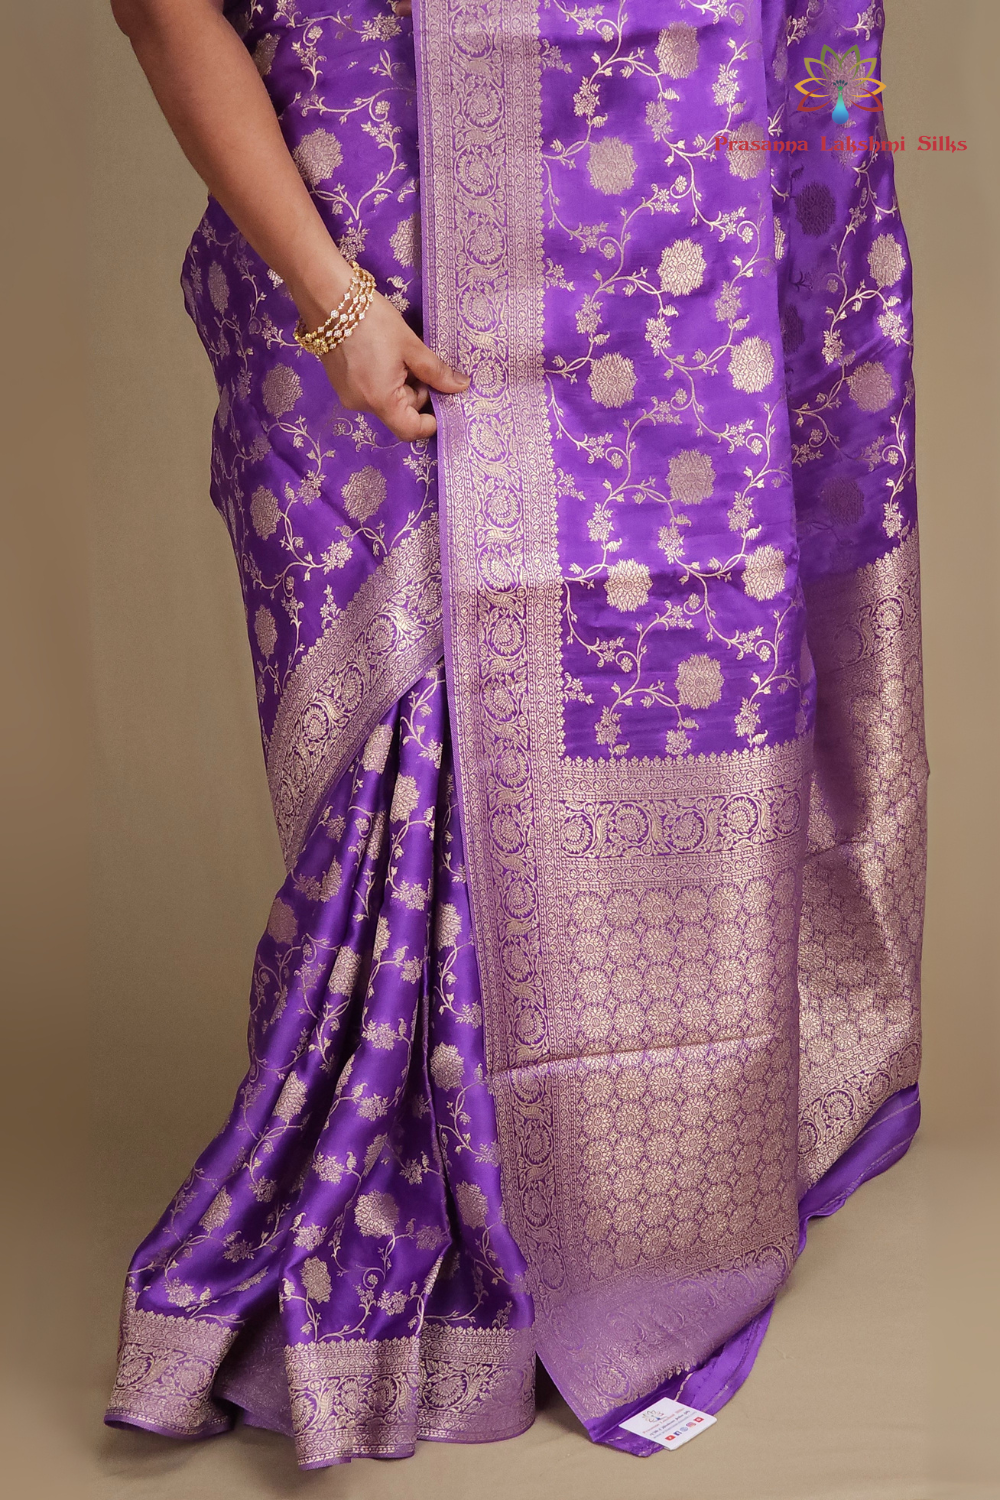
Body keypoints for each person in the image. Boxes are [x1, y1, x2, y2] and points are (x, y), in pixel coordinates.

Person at [105, 0, 926, 1470]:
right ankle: (423, 1201)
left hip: (673, 292)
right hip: (371, 282)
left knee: (656, 681)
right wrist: (336, 303)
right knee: (413, 765)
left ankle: (637, 1197)